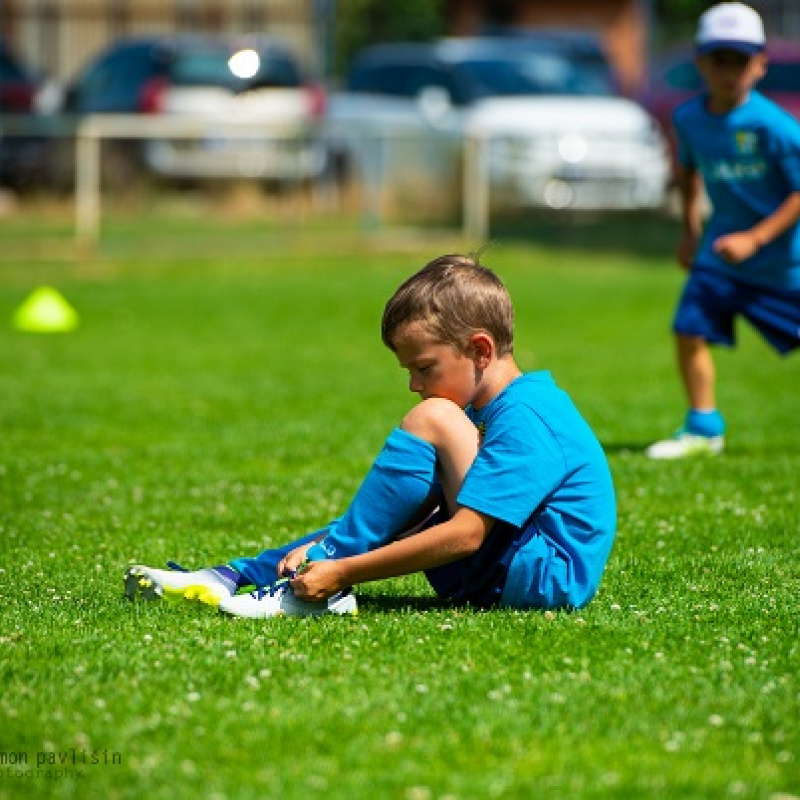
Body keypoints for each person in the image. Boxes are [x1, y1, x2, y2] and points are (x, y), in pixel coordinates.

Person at [125, 254, 616, 617]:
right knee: (402, 501)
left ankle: (323, 573)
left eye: (425, 366)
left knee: (434, 419)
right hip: (513, 566)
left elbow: (467, 535)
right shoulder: (508, 408)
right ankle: (235, 576)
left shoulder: (528, 414)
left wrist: (345, 569)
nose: (414, 384)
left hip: (538, 578)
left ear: (480, 350)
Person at [647, 2, 800, 460]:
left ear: (760, 64)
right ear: (701, 62)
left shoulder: (776, 128)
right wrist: (690, 231)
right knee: (688, 328)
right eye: (720, 58)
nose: (729, 70)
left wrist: (756, 238)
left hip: (781, 264)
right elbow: (690, 172)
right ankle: (703, 428)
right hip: (720, 255)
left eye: (740, 59)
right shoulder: (689, 119)